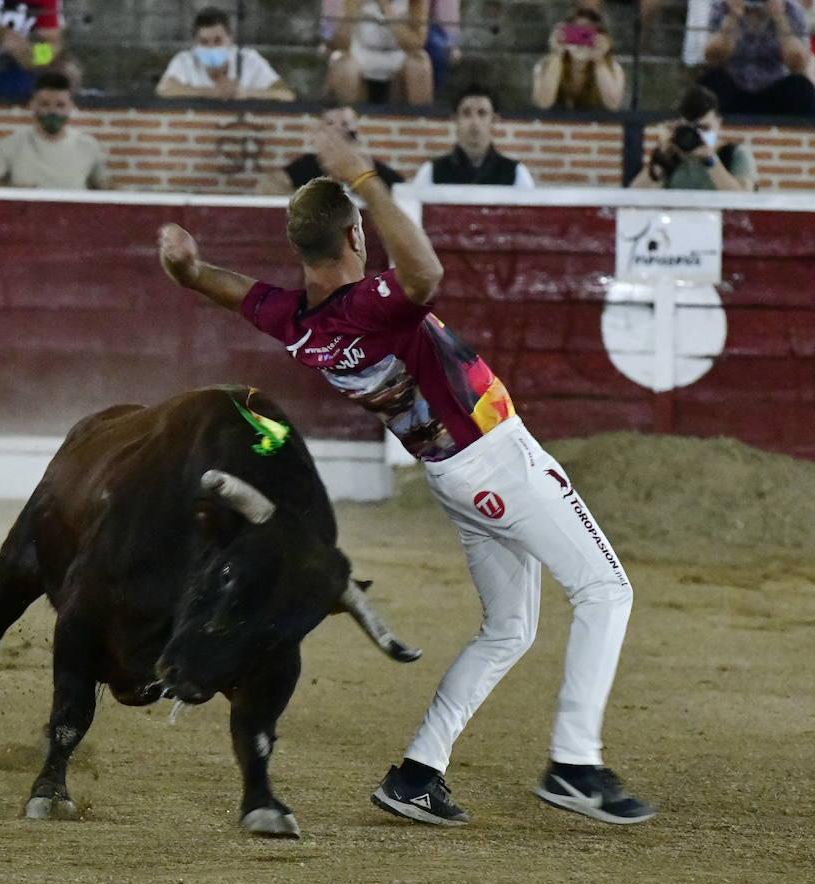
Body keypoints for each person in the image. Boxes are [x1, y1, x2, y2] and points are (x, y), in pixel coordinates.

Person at [157, 124, 655, 829]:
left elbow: (235, 290)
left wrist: (187, 270)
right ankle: (574, 763)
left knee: (508, 630)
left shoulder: (297, 320)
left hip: (452, 474)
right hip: (497, 461)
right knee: (607, 591)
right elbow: (425, 275)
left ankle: (419, 773)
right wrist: (364, 175)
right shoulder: (371, 305)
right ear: (355, 238)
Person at [0, 71, 107, 190]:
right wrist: (15, 190)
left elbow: (105, 186)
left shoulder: (88, 145)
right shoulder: (11, 144)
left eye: (60, 105)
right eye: (45, 104)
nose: (53, 111)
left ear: (71, 107)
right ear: (32, 106)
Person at [698, 0, 815, 116]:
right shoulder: (721, 7)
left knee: (802, 88)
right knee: (710, 82)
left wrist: (780, 18)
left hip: (775, 89)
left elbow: (798, 65)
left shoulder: (792, 10)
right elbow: (713, 58)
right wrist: (732, 17)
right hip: (733, 86)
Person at [629, 85, 757, 191]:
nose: (698, 135)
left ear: (719, 122)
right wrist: (661, 158)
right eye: (690, 129)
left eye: (705, 128)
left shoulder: (735, 154)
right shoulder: (672, 157)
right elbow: (634, 197)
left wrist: (710, 159)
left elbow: (743, 201)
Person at [256, 105, 404, 195]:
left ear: (356, 132)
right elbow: (265, 187)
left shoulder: (373, 169)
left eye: (345, 125)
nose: (338, 130)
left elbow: (404, 194)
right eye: (331, 124)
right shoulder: (309, 165)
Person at [155, 6, 294, 101]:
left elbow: (286, 95)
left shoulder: (248, 59)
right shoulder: (185, 60)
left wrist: (247, 93)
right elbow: (164, 90)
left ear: (230, 38)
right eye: (204, 42)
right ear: (194, 42)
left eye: (218, 41)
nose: (211, 47)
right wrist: (212, 92)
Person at [412, 85, 535, 188]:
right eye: (466, 113)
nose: (474, 122)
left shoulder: (515, 173)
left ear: (495, 120)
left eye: (482, 113)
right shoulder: (432, 172)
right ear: (455, 119)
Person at [322, 0, 433, 106]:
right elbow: (341, 44)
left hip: (399, 56)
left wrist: (386, 9)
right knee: (344, 66)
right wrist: (353, 10)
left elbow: (415, 44)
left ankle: (419, 122)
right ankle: (346, 118)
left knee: (420, 64)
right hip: (360, 54)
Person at [531, 7, 625, 111]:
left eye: (587, 34)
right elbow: (543, 103)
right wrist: (557, 55)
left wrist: (599, 61)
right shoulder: (544, 65)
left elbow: (613, 104)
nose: (581, 40)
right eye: (576, 31)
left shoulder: (612, 68)